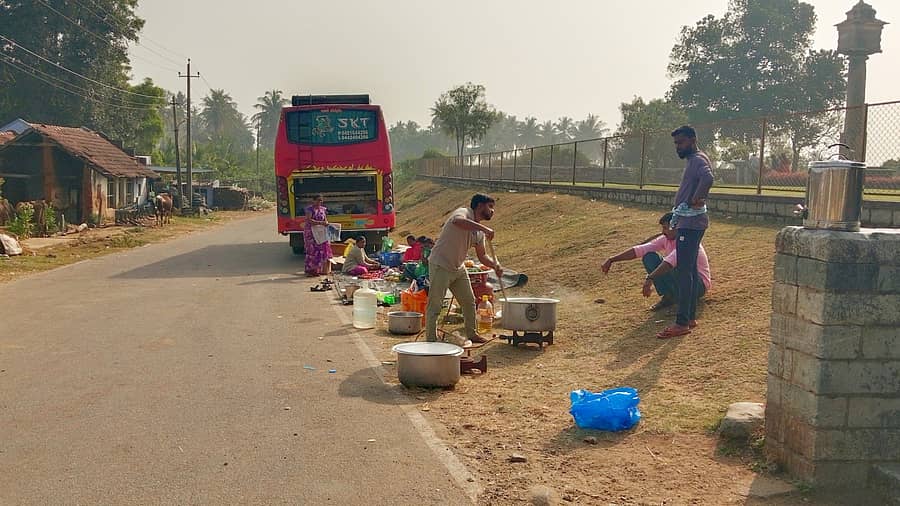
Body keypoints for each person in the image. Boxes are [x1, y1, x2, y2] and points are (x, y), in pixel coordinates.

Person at [656, 125, 714, 339]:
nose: (677, 147)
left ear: (692, 140)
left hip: (691, 224)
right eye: (676, 144)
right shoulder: (694, 160)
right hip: (689, 223)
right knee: (688, 271)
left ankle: (682, 323)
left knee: (684, 272)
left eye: (680, 143)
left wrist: (696, 199)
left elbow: (708, 179)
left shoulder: (698, 160)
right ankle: (688, 318)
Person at [425, 194, 502, 344]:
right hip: (441, 264)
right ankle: (431, 340)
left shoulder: (479, 233)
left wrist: (496, 265)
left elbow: (483, 256)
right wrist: (485, 228)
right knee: (435, 305)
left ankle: (472, 334)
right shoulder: (464, 212)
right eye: (490, 206)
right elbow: (457, 221)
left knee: (469, 301)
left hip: (458, 268)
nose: (492, 211)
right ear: (480, 206)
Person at [601, 212, 712, 311]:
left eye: (665, 228)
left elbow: (669, 263)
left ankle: (682, 300)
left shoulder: (687, 241)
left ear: (676, 227)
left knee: (673, 266)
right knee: (649, 256)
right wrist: (612, 259)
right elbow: (641, 249)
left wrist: (650, 278)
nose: (662, 232)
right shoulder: (666, 239)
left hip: (698, 285)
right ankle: (669, 296)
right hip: (684, 278)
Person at [303, 194, 333, 277]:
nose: (319, 202)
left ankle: (320, 269)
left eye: (321, 200)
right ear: (313, 200)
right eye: (318, 200)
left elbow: (325, 219)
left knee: (322, 249)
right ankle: (311, 270)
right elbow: (309, 220)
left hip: (320, 232)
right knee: (312, 250)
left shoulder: (323, 209)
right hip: (311, 232)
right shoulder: (310, 209)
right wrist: (320, 223)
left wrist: (326, 224)